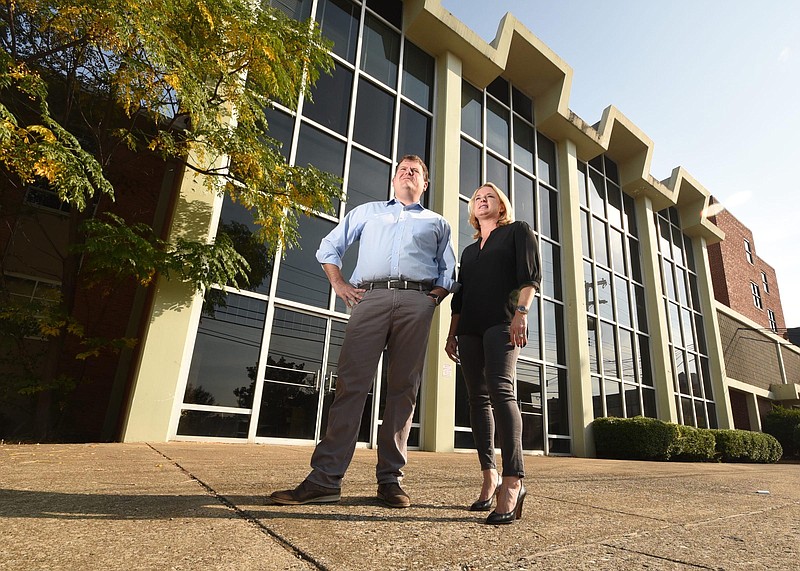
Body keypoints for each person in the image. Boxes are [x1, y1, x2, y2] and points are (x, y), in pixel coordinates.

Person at [270, 155, 456, 509]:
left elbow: (448, 268)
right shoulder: (367, 212)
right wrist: (339, 283)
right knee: (351, 385)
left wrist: (435, 296)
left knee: (404, 390)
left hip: (417, 301)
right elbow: (328, 247)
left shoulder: (437, 223)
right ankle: (324, 480)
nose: (407, 173)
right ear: (393, 180)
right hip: (369, 297)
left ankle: (390, 481)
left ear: (425, 184)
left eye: (415, 171)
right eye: (402, 170)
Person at [445, 182, 540, 525]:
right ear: (472, 210)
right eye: (477, 198)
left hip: (503, 321)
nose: (482, 201)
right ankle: (490, 476)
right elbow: (461, 297)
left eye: (490, 197)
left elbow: (529, 279)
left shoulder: (517, 231)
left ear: (501, 206)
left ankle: (514, 480)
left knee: (502, 391)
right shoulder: (469, 252)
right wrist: (452, 333)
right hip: (470, 328)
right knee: (476, 400)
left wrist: (521, 314)